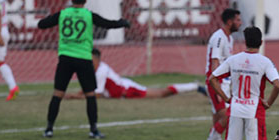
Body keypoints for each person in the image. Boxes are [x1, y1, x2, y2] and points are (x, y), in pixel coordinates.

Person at [37, 0, 130, 139]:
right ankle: (93, 130)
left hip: (65, 58)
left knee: (58, 94)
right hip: (83, 58)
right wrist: (122, 22)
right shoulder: (88, 15)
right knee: (90, 95)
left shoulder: (63, 13)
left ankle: (49, 129)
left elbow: (42, 24)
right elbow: (107, 24)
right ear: (85, 1)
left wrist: (45, 20)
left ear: (71, 0)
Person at [210, 26, 279, 140]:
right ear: (261, 42)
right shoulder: (264, 62)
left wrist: (227, 97)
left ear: (245, 42)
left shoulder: (235, 59)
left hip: (235, 109)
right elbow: (277, 85)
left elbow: (212, 78)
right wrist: (269, 103)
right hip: (254, 112)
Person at [64, 48, 206, 100]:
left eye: (91, 60)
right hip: (124, 89)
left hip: (129, 90)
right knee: (160, 93)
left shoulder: (101, 70)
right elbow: (89, 88)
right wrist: (76, 94)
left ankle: (195, 86)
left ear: (97, 60)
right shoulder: (93, 70)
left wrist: (75, 97)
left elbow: (98, 94)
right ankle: (194, 86)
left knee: (161, 94)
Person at [199, 8, 242, 140]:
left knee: (218, 119)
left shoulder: (228, 38)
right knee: (227, 117)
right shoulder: (218, 37)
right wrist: (218, 88)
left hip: (224, 83)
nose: (240, 23)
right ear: (230, 21)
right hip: (215, 83)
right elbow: (215, 62)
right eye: (238, 20)